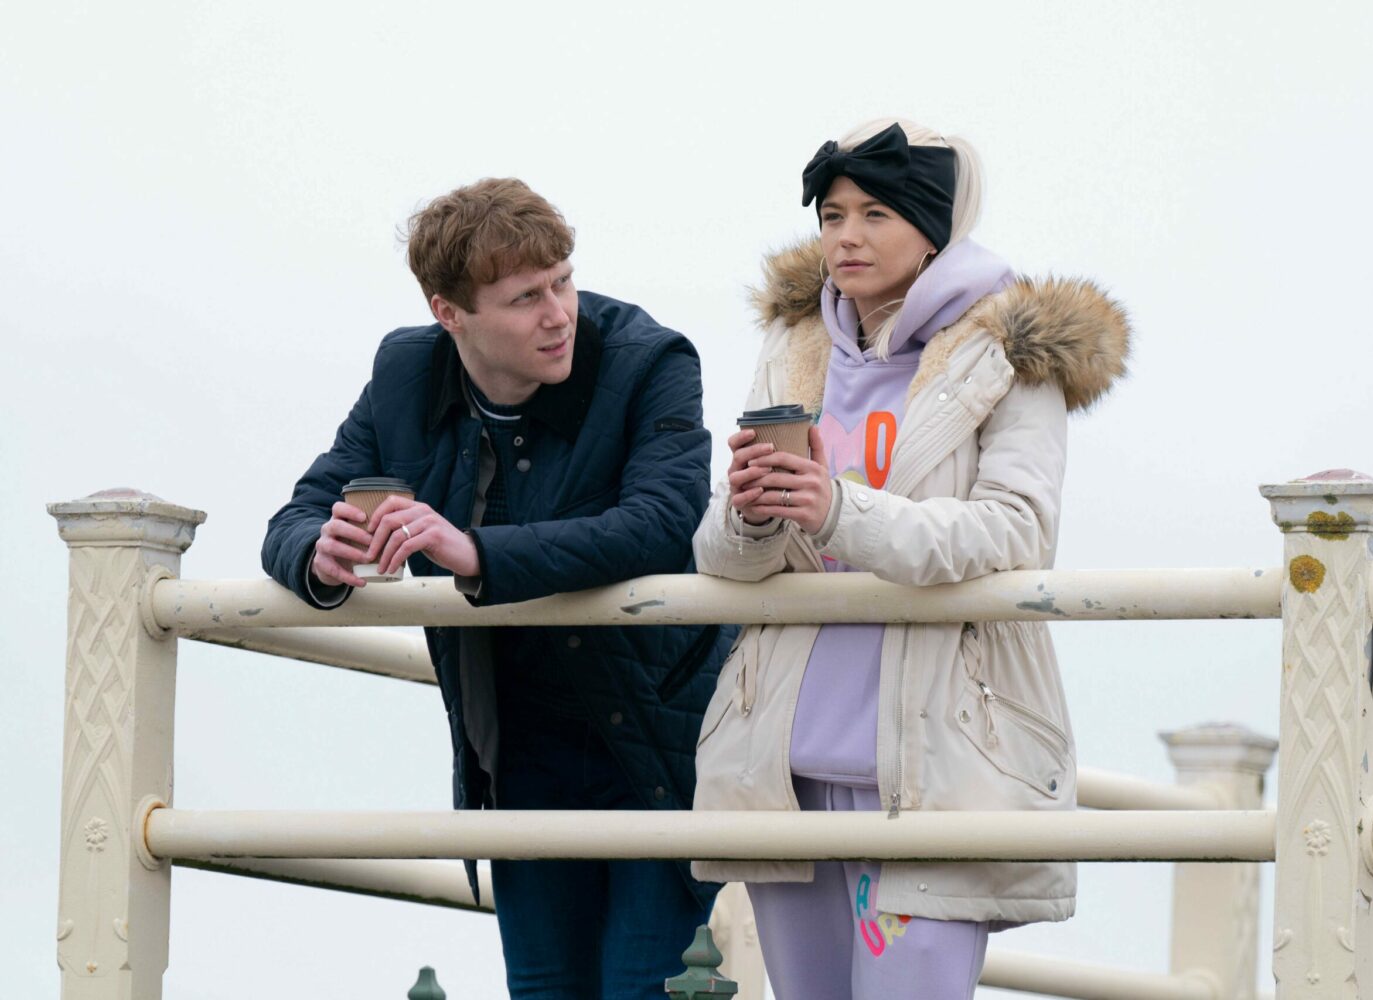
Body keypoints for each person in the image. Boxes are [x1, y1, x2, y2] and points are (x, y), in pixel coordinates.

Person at [261, 178, 732, 1000]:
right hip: (517, 758)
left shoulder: (649, 358)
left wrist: (472, 551)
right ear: (452, 315)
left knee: (643, 989)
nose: (559, 313)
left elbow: (662, 521)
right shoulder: (407, 374)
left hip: (656, 750)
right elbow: (297, 514)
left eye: (563, 281)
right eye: (524, 298)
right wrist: (321, 555)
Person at [690, 120, 1130, 998]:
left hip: (937, 764)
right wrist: (750, 514)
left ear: (933, 225)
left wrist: (839, 506)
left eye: (876, 212)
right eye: (831, 213)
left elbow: (1014, 532)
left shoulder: (1013, 352)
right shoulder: (793, 342)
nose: (845, 236)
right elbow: (724, 561)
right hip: (788, 764)